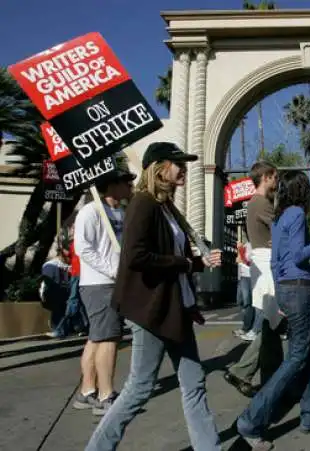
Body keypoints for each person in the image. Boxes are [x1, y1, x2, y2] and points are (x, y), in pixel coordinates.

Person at [86, 142, 222, 450]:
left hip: (176, 309)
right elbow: (135, 256)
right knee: (139, 388)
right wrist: (184, 262)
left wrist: (199, 263)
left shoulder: (167, 206)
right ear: (160, 167)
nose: (184, 168)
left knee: (194, 383)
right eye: (179, 163)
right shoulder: (143, 203)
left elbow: (175, 257)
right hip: (152, 311)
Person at [236, 171, 310, 450]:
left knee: (305, 355)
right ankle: (251, 420)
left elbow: (275, 261)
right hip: (298, 288)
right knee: (296, 358)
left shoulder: (281, 218)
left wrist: (280, 292)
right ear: (303, 192)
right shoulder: (295, 214)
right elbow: (297, 255)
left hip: (286, 287)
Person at [72, 169, 135, 416]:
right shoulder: (90, 211)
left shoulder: (118, 212)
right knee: (109, 338)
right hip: (99, 283)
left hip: (113, 282)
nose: (130, 187)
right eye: (125, 183)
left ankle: (87, 391)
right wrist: (111, 270)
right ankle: (105, 395)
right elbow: (82, 248)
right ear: (111, 186)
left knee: (97, 338)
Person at [224, 162, 281, 398]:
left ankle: (274, 377)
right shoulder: (261, 203)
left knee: (273, 323)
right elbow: (280, 228)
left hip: (262, 261)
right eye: (275, 177)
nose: (277, 181)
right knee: (273, 321)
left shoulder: (255, 203)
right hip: (267, 263)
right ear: (266, 177)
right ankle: (242, 370)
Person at [41, 246, 72, 337]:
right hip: (57, 294)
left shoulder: (66, 265)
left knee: (62, 311)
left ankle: (61, 330)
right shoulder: (51, 266)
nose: (70, 258)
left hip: (64, 293)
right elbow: (47, 283)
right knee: (59, 311)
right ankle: (59, 329)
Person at [232, 240, 255, 340]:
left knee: (247, 303)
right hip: (241, 277)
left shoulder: (252, 245)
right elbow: (240, 260)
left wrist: (240, 250)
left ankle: (247, 328)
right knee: (239, 301)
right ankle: (249, 324)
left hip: (248, 276)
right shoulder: (246, 244)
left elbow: (249, 261)